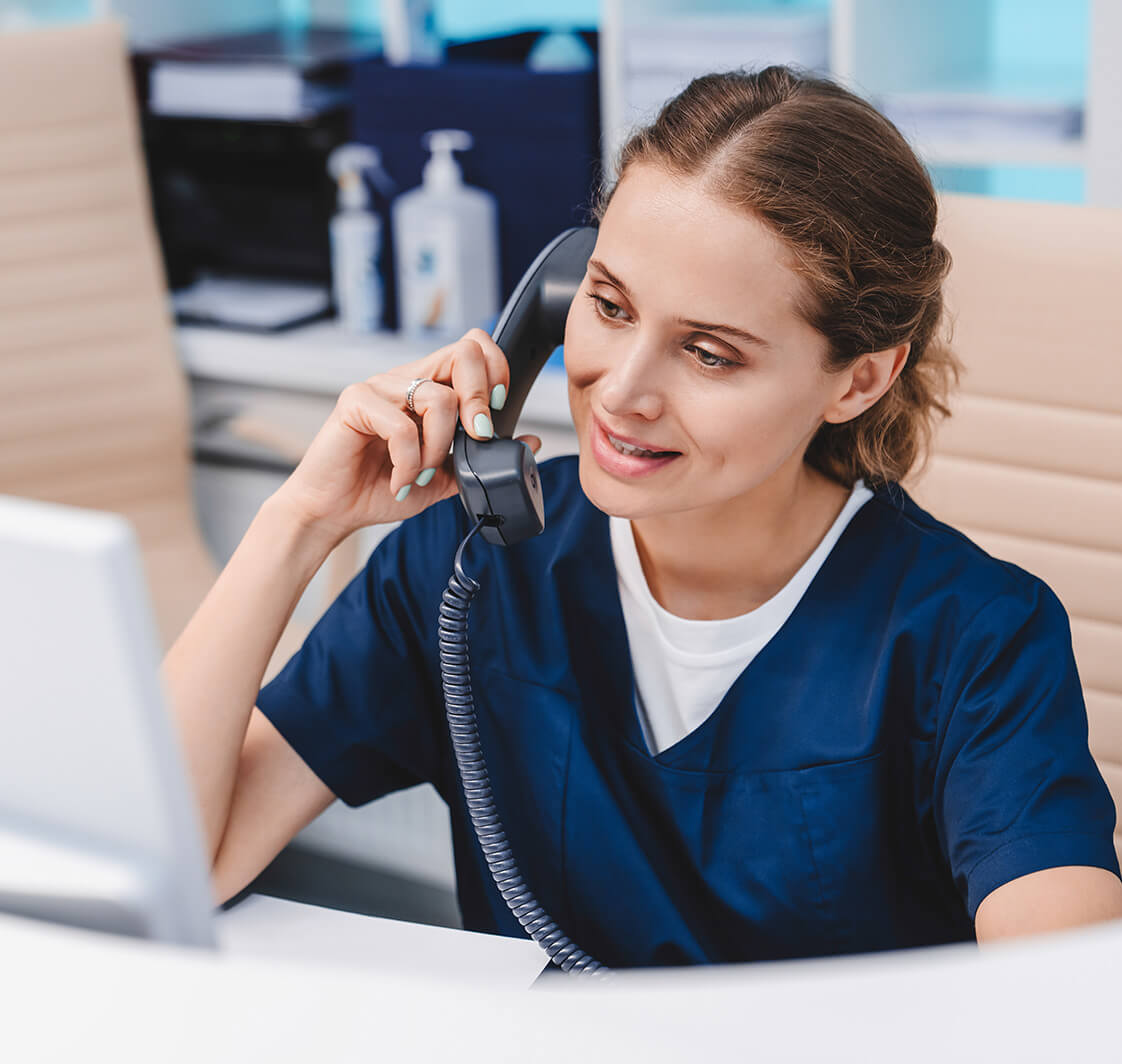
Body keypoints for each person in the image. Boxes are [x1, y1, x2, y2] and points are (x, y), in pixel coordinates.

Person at [163, 65, 1122, 968]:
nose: (621, 393)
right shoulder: (465, 568)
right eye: (610, 306)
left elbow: (1069, 1007)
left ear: (860, 378)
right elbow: (183, 859)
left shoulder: (974, 637)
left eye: (709, 353)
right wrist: (302, 519)